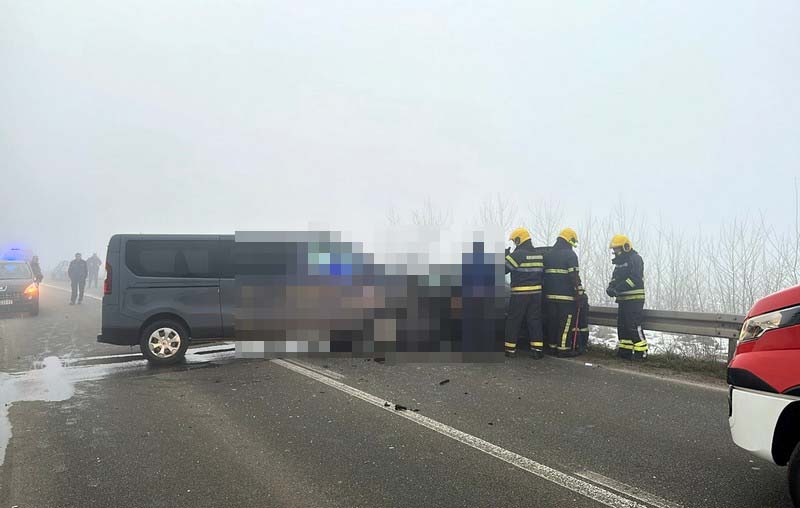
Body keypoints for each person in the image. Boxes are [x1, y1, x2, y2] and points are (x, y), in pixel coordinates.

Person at [504, 227, 545, 358]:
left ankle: (510, 350)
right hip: (536, 294)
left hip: (519, 294)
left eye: (515, 241)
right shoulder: (539, 255)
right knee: (534, 320)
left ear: (519, 239)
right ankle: (537, 350)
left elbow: (503, 269)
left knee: (514, 320)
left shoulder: (518, 255)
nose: (515, 243)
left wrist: (505, 257)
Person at [606, 235, 648, 360]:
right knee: (623, 326)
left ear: (625, 247)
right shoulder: (619, 263)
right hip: (623, 299)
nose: (615, 252)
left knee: (633, 325)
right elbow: (615, 278)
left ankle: (642, 352)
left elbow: (634, 278)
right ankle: (625, 351)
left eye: (617, 249)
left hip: (634, 299)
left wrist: (618, 288)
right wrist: (610, 287)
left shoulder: (635, 259)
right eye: (614, 249)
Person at [543, 228, 582, 356]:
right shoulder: (570, 255)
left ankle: (552, 347)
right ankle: (563, 349)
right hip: (566, 298)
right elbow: (574, 277)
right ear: (569, 240)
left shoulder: (548, 254)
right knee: (565, 325)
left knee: (552, 323)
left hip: (549, 297)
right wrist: (579, 293)